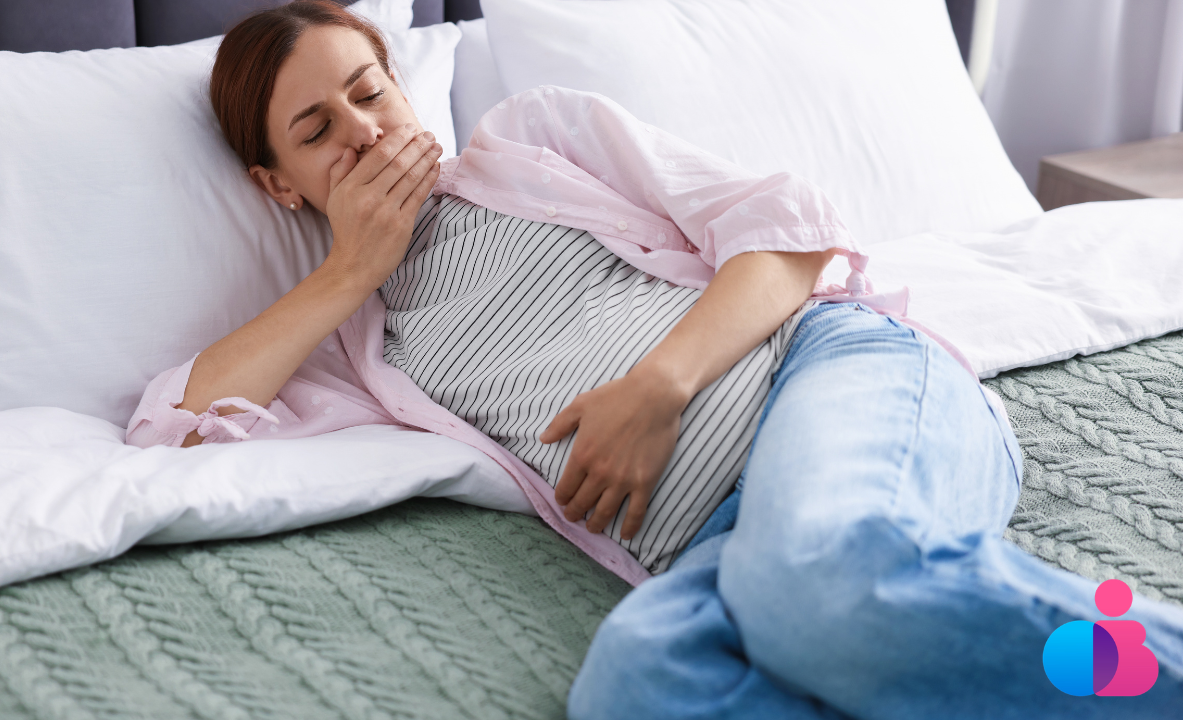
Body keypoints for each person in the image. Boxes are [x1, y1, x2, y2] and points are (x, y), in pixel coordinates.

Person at [126, 2, 1183, 717]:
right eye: (316, 130)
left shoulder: (534, 139)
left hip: (826, 372)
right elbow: (171, 425)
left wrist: (656, 387)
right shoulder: (354, 345)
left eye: (369, 91)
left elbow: (787, 231)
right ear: (278, 186)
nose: (361, 130)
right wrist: (350, 268)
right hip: (722, 536)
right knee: (633, 687)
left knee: (822, 582)